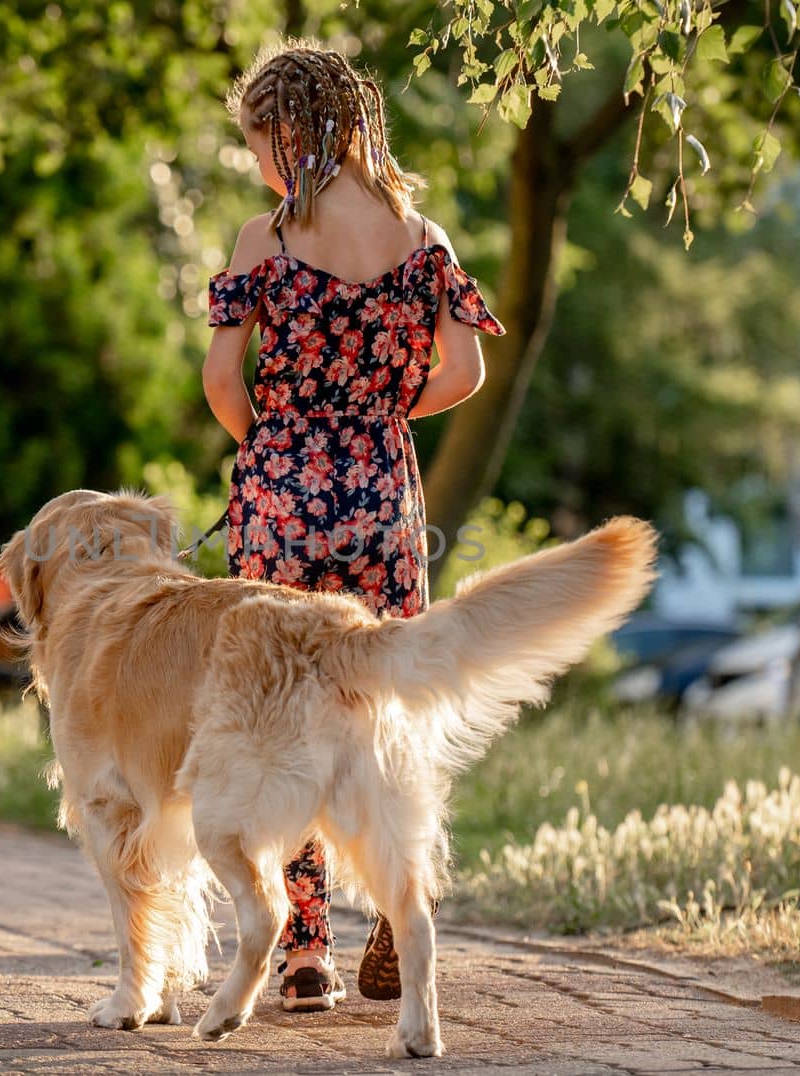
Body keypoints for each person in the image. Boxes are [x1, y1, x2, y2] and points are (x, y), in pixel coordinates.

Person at [200, 38, 507, 1013]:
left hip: (283, 498)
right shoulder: (426, 239)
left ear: (287, 134)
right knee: (385, 706)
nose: (258, 166)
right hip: (382, 492)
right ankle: (400, 902)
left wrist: (278, 445)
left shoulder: (264, 240)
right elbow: (465, 374)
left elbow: (219, 380)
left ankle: (301, 951)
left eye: (257, 143)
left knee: (281, 714)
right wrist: (371, 422)